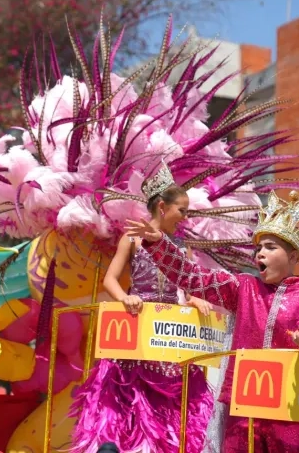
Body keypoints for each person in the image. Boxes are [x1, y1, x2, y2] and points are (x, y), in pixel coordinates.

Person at [125, 190, 299, 453]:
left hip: (292, 412)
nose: (260, 254)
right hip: (242, 411)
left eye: (270, 247)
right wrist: (159, 245)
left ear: (292, 257)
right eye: (258, 248)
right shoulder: (241, 287)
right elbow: (191, 277)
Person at [69, 162, 215, 453]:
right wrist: (125, 298)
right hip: (137, 332)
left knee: (170, 411)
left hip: (171, 337)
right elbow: (111, 279)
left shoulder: (180, 245)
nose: (185, 218)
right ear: (162, 207)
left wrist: (196, 297)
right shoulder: (132, 239)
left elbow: (187, 283)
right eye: (182, 211)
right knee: (128, 403)